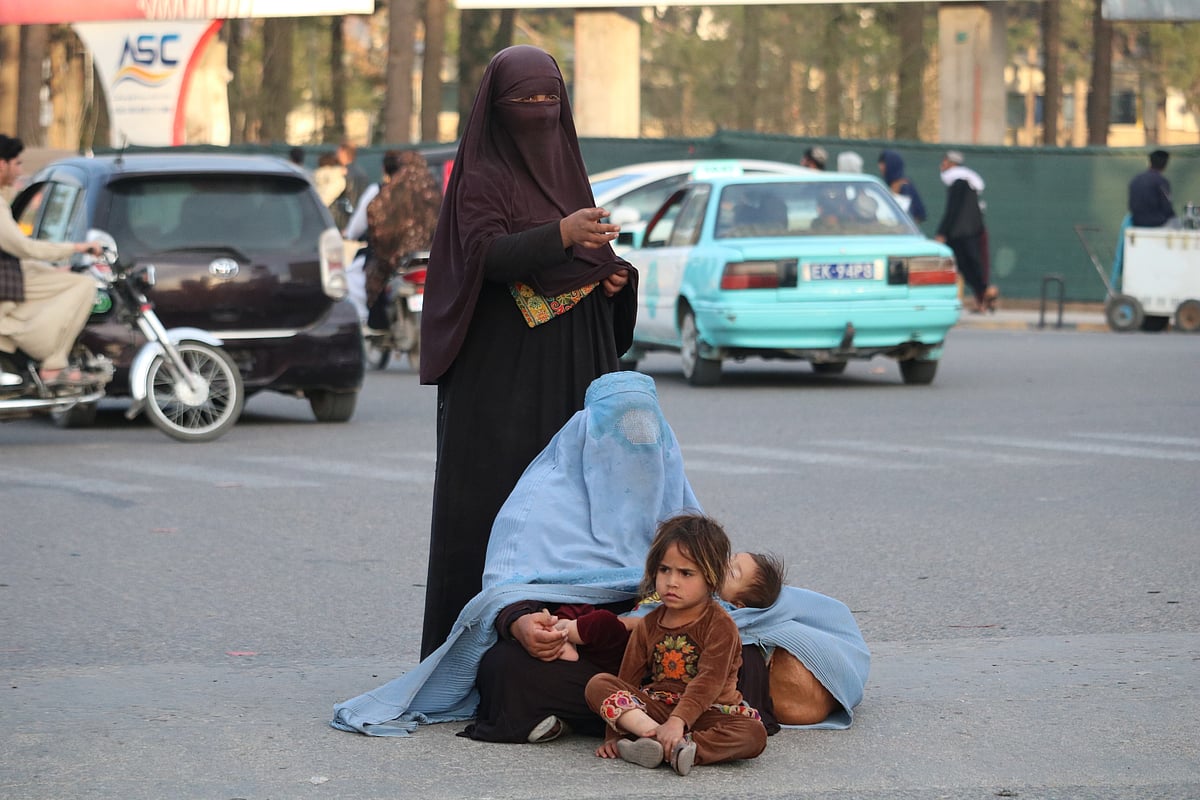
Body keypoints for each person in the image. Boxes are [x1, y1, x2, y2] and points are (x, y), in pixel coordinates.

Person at [330, 372, 870, 743]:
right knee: (505, 669)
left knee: (738, 656)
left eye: (647, 439)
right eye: (619, 436)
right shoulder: (539, 504)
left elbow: (716, 592)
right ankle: (659, 721)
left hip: (669, 652)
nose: (636, 454)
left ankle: (615, 720)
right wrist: (524, 624)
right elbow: (506, 591)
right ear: (584, 439)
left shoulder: (675, 503)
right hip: (590, 651)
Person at [416, 44, 636, 659]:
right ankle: (481, 656)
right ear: (497, 107)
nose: (539, 111)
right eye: (525, 100)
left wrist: (614, 279)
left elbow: (584, 263)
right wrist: (560, 234)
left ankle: (576, 649)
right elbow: (483, 255)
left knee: (574, 508)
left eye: (549, 98)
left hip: (574, 372)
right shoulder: (482, 177)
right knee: (498, 507)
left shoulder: (568, 172)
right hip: (502, 382)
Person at [584, 514, 768, 776]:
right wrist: (613, 735)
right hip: (657, 708)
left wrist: (678, 722)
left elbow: (708, 682)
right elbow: (628, 679)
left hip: (709, 711)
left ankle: (682, 747)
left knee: (753, 733)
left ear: (711, 578)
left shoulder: (720, 625)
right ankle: (654, 738)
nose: (672, 582)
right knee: (598, 684)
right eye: (664, 570)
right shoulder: (648, 625)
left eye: (686, 573)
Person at [552, 551, 786, 664]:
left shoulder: (718, 608)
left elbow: (666, 623)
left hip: (634, 634)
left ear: (738, 604)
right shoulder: (701, 582)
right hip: (627, 618)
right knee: (580, 604)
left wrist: (626, 622)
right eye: (729, 559)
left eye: (733, 572)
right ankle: (564, 630)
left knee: (602, 623)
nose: (724, 566)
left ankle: (565, 633)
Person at [0, 133, 103, 387]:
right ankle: (53, 365)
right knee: (84, 285)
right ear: (2, 164)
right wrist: (76, 247)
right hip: (6, 283)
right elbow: (24, 247)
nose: (19, 171)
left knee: (65, 281)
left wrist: (52, 270)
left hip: (13, 276)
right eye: (17, 164)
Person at [362, 150, 441, 329]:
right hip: (433, 258)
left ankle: (378, 327)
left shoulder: (392, 192)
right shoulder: (434, 189)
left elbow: (375, 217)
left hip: (400, 259)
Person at [935, 150, 997, 313]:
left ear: (951, 163)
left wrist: (942, 232)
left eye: (944, 162)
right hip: (971, 230)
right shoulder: (968, 182)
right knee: (973, 266)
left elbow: (953, 210)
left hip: (962, 234)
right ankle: (984, 297)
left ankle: (985, 293)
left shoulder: (958, 182)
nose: (942, 166)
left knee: (968, 266)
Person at [1128, 149, 1176, 228]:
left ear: (1150, 162)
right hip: (1157, 223)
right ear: (1165, 164)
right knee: (1176, 222)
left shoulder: (1135, 179)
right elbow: (1167, 208)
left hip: (1137, 222)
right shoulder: (1161, 181)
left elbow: (1131, 206)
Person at [877, 149, 926, 223]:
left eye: (883, 163)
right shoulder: (884, 185)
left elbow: (918, 215)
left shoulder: (905, 186)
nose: (880, 167)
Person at [332, 140, 370, 231]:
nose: (337, 155)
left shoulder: (341, 174)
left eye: (338, 152)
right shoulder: (363, 174)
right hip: (360, 221)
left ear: (343, 152)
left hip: (343, 222)